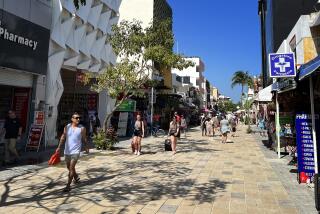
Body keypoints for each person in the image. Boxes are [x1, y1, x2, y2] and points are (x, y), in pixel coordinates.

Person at [56, 112, 89, 192]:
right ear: (72, 119)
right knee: (69, 167)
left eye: (79, 118)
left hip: (76, 151)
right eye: (76, 118)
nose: (78, 119)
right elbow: (63, 137)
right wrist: (59, 147)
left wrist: (86, 147)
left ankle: (68, 186)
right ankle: (76, 177)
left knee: (71, 167)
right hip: (67, 151)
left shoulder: (82, 128)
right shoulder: (67, 127)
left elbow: (84, 139)